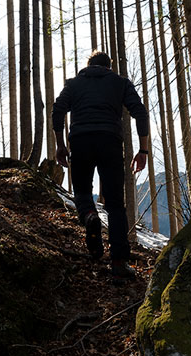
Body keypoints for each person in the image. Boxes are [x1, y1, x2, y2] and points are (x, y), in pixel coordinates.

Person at [52, 51, 149, 278]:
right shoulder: (120, 83)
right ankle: (118, 264)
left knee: (82, 192)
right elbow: (140, 113)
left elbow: (57, 110)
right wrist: (143, 150)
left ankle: (89, 216)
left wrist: (60, 145)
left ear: (89, 66)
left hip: (80, 140)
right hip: (110, 141)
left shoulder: (73, 84)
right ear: (109, 67)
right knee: (115, 204)